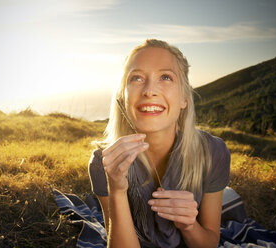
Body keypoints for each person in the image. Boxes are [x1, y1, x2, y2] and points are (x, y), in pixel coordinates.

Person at [88, 39, 230, 248]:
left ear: (184, 98)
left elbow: (209, 243)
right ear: (123, 98)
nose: (149, 90)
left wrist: (189, 226)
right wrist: (117, 190)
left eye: (165, 77)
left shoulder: (213, 152)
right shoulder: (105, 161)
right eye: (136, 78)